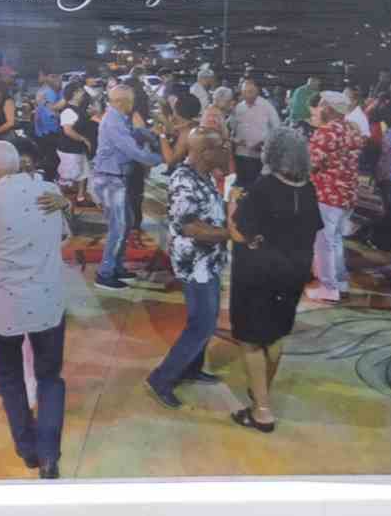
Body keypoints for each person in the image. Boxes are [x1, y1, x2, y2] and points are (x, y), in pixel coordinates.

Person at [0, 136, 80, 475]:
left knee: (10, 378)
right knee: (50, 378)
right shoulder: (49, 191)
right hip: (48, 302)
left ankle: (27, 447)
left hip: (4, 306)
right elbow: (65, 234)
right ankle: (50, 456)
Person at [218, 132, 316, 434]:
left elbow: (237, 232)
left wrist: (232, 203)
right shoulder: (308, 189)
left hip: (258, 272)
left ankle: (261, 410)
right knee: (275, 335)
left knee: (250, 338)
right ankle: (263, 392)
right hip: (295, 272)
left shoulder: (264, 188)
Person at [142, 120, 235, 413]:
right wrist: (232, 235)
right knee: (202, 323)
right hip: (196, 262)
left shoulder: (204, 173)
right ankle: (161, 378)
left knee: (203, 319)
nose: (226, 150)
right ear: (206, 152)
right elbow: (189, 226)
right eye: (221, 146)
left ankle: (192, 368)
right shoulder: (184, 180)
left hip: (210, 259)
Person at [90, 87, 153, 285]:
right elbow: (133, 151)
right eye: (131, 101)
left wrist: (146, 134)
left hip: (116, 178)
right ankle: (105, 273)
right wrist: (162, 159)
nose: (133, 105)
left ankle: (116, 266)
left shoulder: (119, 119)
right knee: (119, 226)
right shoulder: (113, 121)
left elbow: (134, 136)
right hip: (110, 179)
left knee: (127, 221)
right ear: (122, 102)